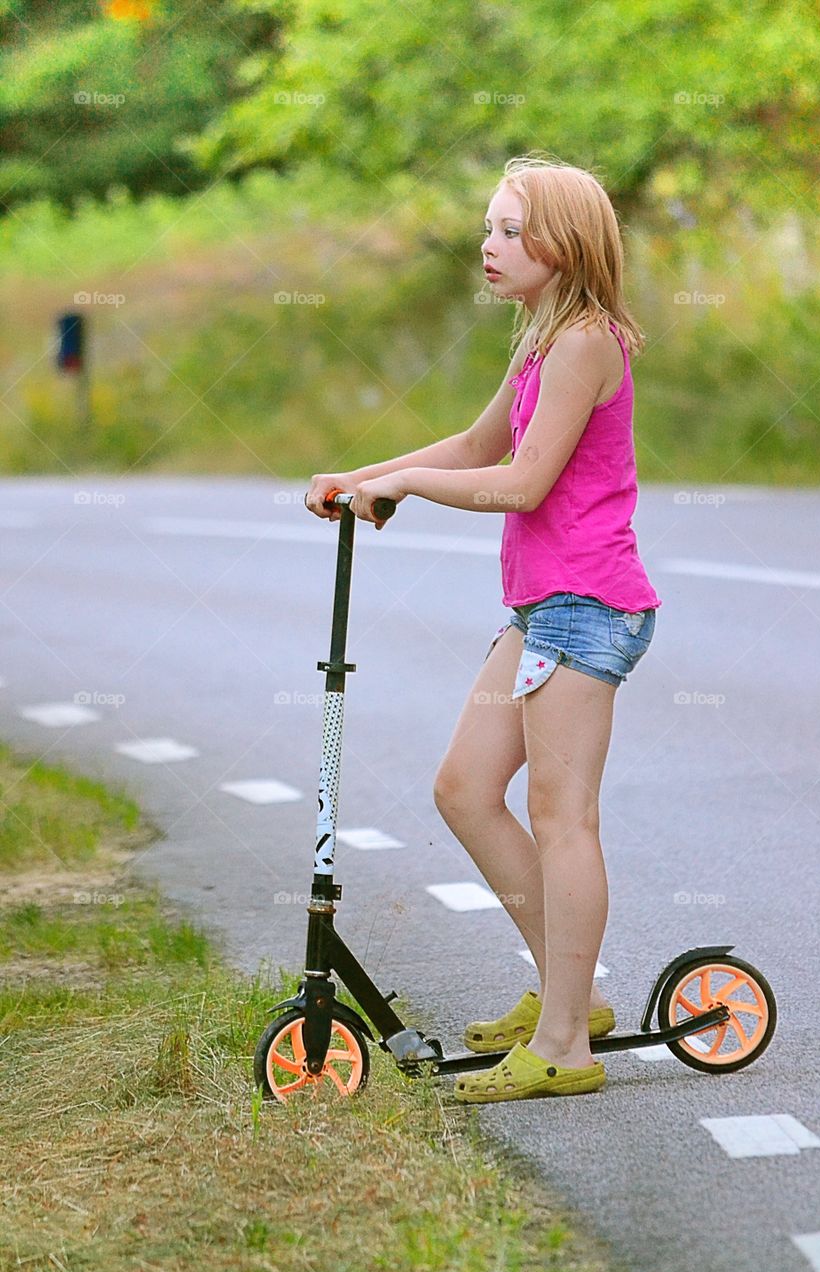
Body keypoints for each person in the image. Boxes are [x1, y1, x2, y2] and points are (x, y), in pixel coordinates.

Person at [304, 154, 661, 1103]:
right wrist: (361, 475)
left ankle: (566, 1048)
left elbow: (522, 482)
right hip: (544, 608)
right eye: (490, 228)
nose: (489, 246)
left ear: (566, 244)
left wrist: (407, 487)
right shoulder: (541, 338)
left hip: (589, 610)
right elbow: (474, 448)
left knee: (560, 816)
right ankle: (567, 997)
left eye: (510, 231)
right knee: (465, 788)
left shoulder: (589, 340)